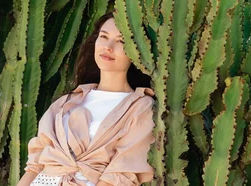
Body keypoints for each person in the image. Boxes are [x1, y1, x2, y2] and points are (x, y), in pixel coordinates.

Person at [17, 12, 155, 186]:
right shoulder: (67, 102)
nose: (108, 47)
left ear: (137, 50)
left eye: (121, 41)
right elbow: (35, 164)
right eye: (104, 37)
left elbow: (120, 174)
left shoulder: (140, 107)